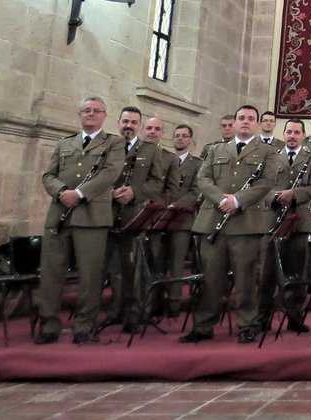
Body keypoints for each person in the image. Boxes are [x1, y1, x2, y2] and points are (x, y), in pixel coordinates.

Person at [181, 104, 280, 343]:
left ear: (257, 124)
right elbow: (203, 179)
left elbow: (266, 183)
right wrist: (220, 199)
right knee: (210, 278)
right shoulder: (216, 150)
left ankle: (247, 324)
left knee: (246, 279)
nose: (245, 121)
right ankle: (204, 325)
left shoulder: (267, 152)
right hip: (213, 221)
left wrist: (237, 200)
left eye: (250, 118)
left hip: (246, 223)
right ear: (234, 123)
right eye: (241, 118)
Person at [36, 96, 126, 344]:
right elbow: (48, 175)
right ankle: (49, 325)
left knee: (90, 275)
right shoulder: (65, 143)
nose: (91, 114)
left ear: (104, 116)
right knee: (51, 273)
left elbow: (111, 173)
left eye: (96, 111)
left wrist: (80, 194)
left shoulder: (114, 143)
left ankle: (84, 325)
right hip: (59, 216)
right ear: (80, 114)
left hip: (92, 216)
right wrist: (61, 191)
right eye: (86, 110)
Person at [104, 105, 168, 332]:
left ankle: (135, 314)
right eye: (125, 121)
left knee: (134, 268)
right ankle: (115, 311)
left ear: (139, 126)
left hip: (135, 216)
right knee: (113, 269)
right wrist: (109, 192)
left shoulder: (150, 150)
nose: (128, 126)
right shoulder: (108, 145)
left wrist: (134, 192)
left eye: (133, 122)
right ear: (118, 123)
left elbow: (157, 182)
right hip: (107, 214)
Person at [258, 118, 311, 334]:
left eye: (296, 132)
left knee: (298, 273)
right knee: (267, 272)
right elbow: (261, 186)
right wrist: (274, 197)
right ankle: (262, 318)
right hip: (272, 220)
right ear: (283, 134)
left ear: (303, 135)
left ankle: (295, 317)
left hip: (300, 222)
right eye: (289, 132)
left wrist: (293, 194)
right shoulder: (272, 157)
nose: (292, 136)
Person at [161, 123, 202, 317]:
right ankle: (155, 300)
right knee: (158, 261)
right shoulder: (163, 159)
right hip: (159, 217)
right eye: (177, 135)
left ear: (191, 141)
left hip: (183, 219)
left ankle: (174, 303)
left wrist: (177, 205)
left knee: (177, 263)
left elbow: (196, 190)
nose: (180, 138)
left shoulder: (197, 163)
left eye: (184, 136)